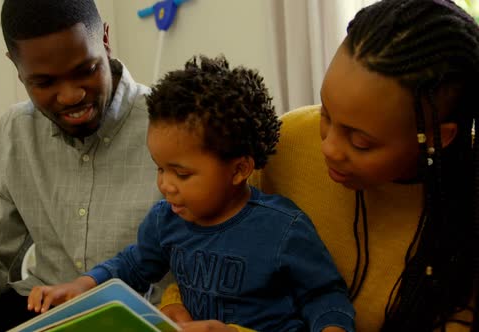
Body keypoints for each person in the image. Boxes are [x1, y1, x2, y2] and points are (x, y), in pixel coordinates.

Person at [159, 0, 479, 331]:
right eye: (326, 113)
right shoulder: (289, 143)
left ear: (437, 136)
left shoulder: (466, 213)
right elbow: (200, 235)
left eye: (361, 142)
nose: (327, 147)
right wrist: (178, 301)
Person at [26, 55, 355, 332]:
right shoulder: (166, 218)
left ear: (239, 170)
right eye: (160, 168)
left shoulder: (282, 228)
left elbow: (325, 296)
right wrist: (81, 286)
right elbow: (133, 264)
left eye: (181, 174)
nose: (166, 185)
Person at [0, 0, 163, 331]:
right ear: (16, 66)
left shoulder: (174, 125)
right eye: (45, 82)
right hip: (42, 313)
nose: (70, 96)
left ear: (105, 40)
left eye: (86, 70)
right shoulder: (15, 130)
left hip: (144, 317)